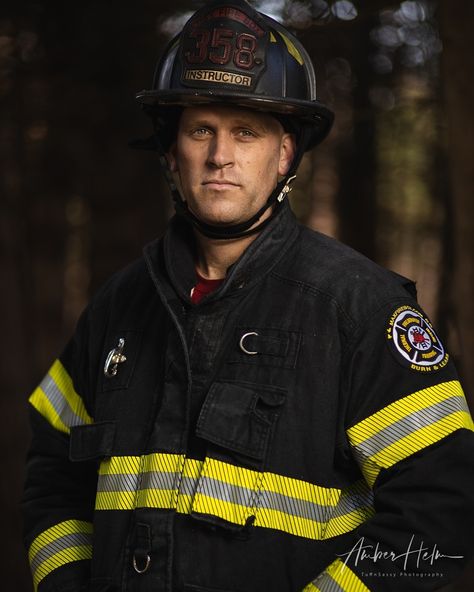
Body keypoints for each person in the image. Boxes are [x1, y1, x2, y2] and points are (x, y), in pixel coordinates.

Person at [22, 1, 474, 591]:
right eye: (201, 130)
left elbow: (443, 514)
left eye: (247, 132)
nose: (220, 157)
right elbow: (53, 476)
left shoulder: (360, 307)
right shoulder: (118, 307)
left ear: (285, 154)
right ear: (171, 152)